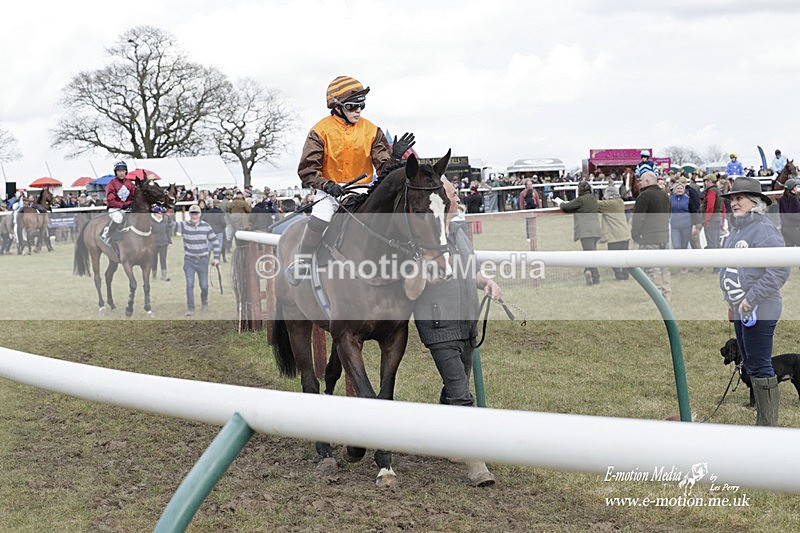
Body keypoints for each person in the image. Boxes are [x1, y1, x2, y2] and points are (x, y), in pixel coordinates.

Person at [413, 177, 501, 487]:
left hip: (466, 323)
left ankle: (443, 438)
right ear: (441, 197)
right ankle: (476, 464)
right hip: (439, 327)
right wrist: (422, 269)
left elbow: (470, 268)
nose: (458, 196)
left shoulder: (458, 231)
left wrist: (486, 282)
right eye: (453, 193)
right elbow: (409, 288)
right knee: (462, 394)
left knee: (455, 386)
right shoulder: (420, 238)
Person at [286, 75, 414, 284]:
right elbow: (307, 169)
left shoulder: (372, 130)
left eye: (361, 105)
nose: (358, 111)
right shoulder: (320, 131)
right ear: (336, 106)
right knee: (321, 217)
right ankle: (303, 262)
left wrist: (395, 158)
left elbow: (384, 170)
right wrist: (327, 184)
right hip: (329, 192)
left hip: (363, 191)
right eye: (352, 106)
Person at [719, 177, 789, 426]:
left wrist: (750, 298)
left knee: (759, 365)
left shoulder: (765, 230)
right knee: (749, 362)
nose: (734, 203)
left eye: (739, 198)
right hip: (741, 308)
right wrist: (732, 302)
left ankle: (767, 426)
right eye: (732, 199)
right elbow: (731, 270)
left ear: (755, 202)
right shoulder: (737, 229)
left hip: (761, 307)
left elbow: (779, 270)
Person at [630, 171, 672, 303]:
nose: (640, 183)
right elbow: (669, 214)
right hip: (664, 236)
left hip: (649, 237)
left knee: (652, 268)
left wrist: (635, 234)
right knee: (664, 267)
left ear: (647, 181)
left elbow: (638, 219)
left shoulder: (644, 196)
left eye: (641, 180)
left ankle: (656, 298)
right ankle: (666, 294)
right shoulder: (664, 195)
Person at [553, 181, 602, 285]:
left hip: (586, 232)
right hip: (595, 231)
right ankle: (589, 272)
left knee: (589, 255)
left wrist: (560, 202)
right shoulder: (593, 198)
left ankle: (594, 276)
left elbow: (566, 207)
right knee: (592, 253)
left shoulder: (581, 200)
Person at [177, 204, 220, 316]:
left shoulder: (206, 226)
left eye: (196, 213)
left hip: (203, 260)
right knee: (189, 284)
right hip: (189, 260)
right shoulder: (183, 225)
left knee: (204, 285)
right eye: (192, 213)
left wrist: (216, 257)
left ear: (200, 214)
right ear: (189, 214)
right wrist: (165, 215)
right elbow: (170, 225)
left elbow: (215, 242)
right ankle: (191, 308)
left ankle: (204, 301)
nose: (194, 216)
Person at [597, 184, 630, 280]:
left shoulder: (608, 204)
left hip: (615, 236)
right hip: (625, 233)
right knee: (625, 257)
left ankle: (619, 276)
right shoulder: (620, 202)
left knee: (612, 257)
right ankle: (625, 275)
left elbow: (594, 203)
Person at [101, 161, 135, 247]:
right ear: (116, 172)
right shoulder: (111, 184)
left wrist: (130, 204)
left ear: (126, 172)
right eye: (119, 171)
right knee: (118, 218)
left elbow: (134, 195)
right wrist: (122, 205)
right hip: (114, 209)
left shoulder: (130, 183)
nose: (121, 173)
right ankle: (107, 235)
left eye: (123, 171)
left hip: (127, 208)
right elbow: (110, 200)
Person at [701, 175, 725, 251]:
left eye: (705, 181)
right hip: (718, 218)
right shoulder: (718, 191)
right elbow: (723, 207)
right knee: (717, 241)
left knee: (711, 243)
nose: (705, 183)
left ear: (709, 181)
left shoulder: (711, 191)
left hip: (712, 219)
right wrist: (723, 221)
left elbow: (710, 207)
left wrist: (707, 220)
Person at [150, 207, 173, 281]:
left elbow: (168, 232)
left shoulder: (165, 221)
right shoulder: (151, 222)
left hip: (163, 243)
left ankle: (164, 275)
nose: (161, 214)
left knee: (163, 259)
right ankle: (154, 276)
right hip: (154, 244)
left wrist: (169, 242)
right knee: (154, 260)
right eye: (160, 213)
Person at [670, 182, 692, 252]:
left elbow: (692, 210)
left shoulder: (687, 199)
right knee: (676, 246)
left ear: (684, 190)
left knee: (684, 245)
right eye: (678, 188)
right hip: (675, 226)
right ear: (674, 189)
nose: (679, 190)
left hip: (686, 225)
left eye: (681, 188)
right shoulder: (670, 199)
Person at [778, 178, 800, 247]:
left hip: (784, 228)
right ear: (793, 188)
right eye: (796, 187)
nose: (797, 188)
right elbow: (794, 215)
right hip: (794, 229)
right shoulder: (794, 200)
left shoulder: (782, 199)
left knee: (789, 250)